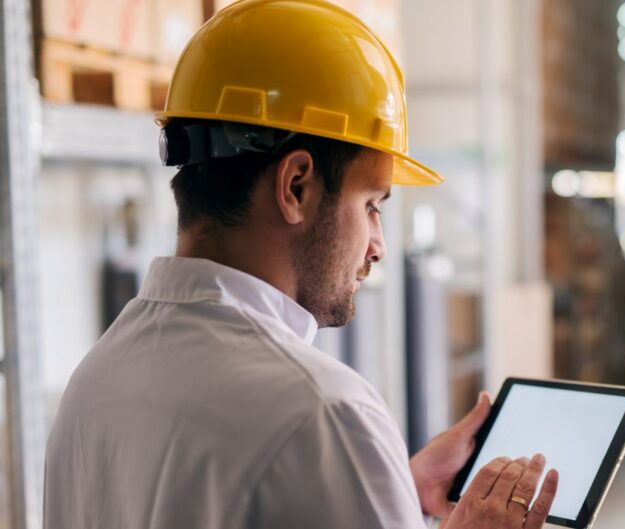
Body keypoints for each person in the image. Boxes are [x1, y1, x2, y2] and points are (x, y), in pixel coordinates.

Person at [42, 1, 557, 528]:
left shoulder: (99, 376)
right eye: (372, 205)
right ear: (296, 186)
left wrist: (390, 487)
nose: (378, 245)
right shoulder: (325, 414)